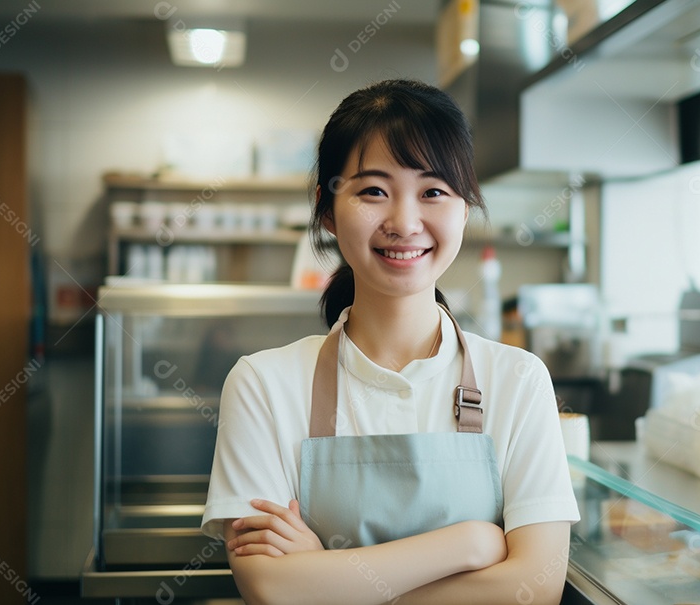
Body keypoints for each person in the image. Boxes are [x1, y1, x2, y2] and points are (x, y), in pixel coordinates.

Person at [201, 79, 580, 605]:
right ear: (327, 209)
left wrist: (325, 577)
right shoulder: (262, 384)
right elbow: (268, 588)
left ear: (464, 209)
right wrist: (469, 543)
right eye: (373, 190)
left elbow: (536, 587)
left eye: (433, 192)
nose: (404, 222)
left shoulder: (518, 380)